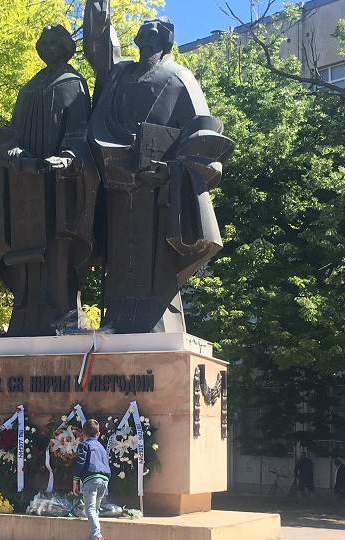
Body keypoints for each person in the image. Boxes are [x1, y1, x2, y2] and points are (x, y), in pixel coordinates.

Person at [83, 2, 235, 334]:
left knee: (154, 268)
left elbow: (204, 137)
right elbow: (98, 40)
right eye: (144, 32)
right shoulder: (119, 74)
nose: (149, 37)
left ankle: (156, 323)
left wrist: (171, 171)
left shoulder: (180, 78)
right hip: (117, 188)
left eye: (157, 33)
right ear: (136, 39)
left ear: (167, 41)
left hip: (160, 194)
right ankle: (117, 320)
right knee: (119, 263)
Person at [0, 24, 100, 336]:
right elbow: (13, 133)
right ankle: (24, 316)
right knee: (25, 249)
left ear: (66, 48)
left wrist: (66, 158)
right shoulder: (29, 88)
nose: (48, 48)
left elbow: (80, 133)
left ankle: (62, 314)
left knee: (57, 249)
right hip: (24, 187)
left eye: (54, 43)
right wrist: (14, 153)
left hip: (58, 185)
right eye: (44, 43)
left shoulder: (73, 83)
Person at [72, 419, 111, 540]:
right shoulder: (101, 447)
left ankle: (98, 537)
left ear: (83, 434)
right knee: (96, 509)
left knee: (89, 508)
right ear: (98, 434)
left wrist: (75, 480)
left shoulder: (84, 445)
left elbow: (80, 463)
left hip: (91, 479)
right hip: (104, 479)